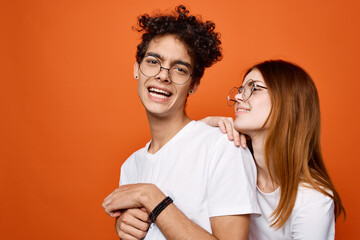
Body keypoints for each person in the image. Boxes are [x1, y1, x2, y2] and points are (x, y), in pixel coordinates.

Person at [102, 5, 260, 240]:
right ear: (137, 69)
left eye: (179, 68)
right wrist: (125, 228)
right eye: (153, 61)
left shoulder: (222, 148)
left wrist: (151, 197)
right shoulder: (130, 166)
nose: (163, 75)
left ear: (194, 84)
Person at [202, 59, 346, 239]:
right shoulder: (233, 164)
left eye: (254, 88)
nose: (238, 97)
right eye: (241, 89)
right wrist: (205, 126)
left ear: (288, 102)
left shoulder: (312, 199)